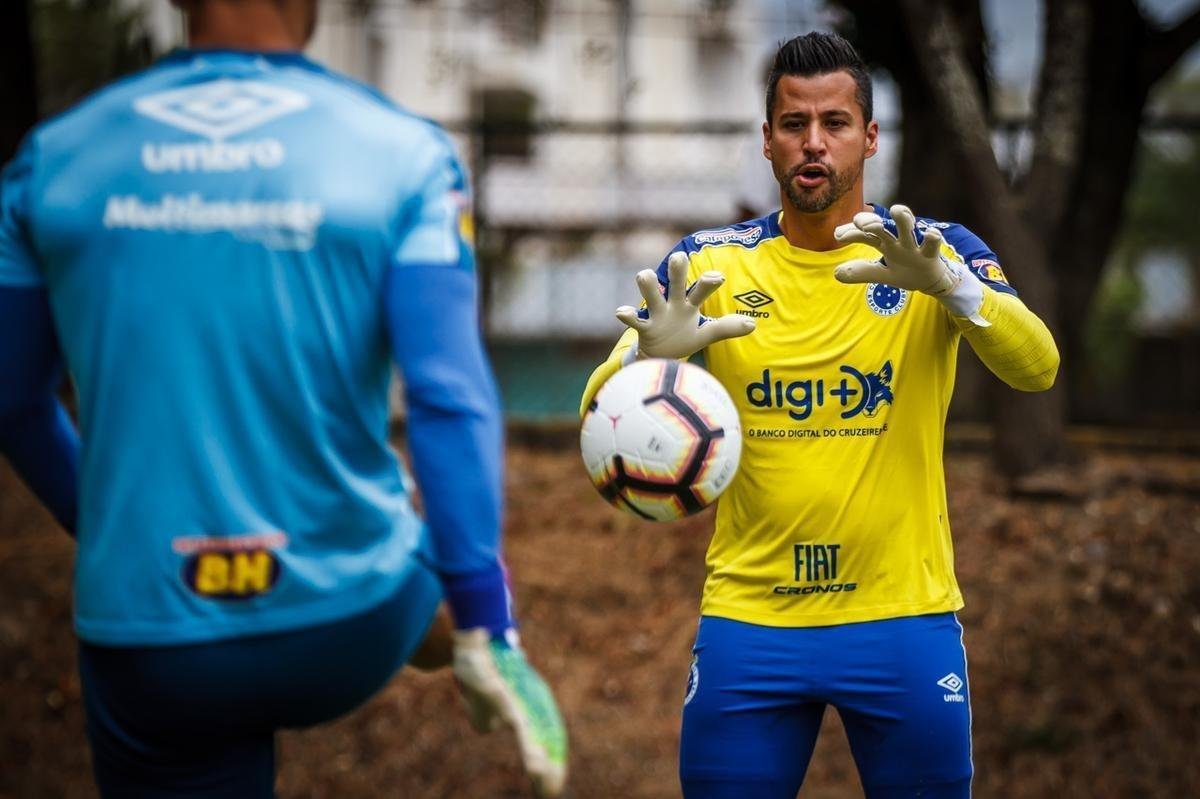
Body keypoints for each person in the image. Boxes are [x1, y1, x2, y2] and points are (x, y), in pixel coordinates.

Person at [0, 1, 566, 796]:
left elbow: (13, 398)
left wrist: (110, 529)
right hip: (348, 622)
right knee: (416, 544)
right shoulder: (403, 154)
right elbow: (447, 395)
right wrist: (479, 609)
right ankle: (477, 629)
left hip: (156, 633)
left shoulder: (51, 160)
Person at [581, 31, 1059, 798]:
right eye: (794, 124)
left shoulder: (929, 256)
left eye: (835, 123)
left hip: (902, 616)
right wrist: (646, 360)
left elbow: (1038, 370)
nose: (814, 143)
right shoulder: (708, 266)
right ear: (766, 140)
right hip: (751, 623)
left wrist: (958, 290)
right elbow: (596, 419)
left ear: (869, 138)